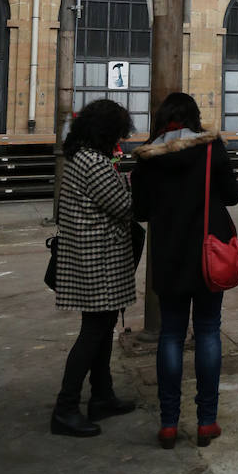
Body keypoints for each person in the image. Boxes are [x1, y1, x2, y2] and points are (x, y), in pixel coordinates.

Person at [130, 93, 238, 450]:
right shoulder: (211, 148)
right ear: (194, 118)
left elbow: (141, 211)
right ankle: (207, 421)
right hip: (208, 255)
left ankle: (168, 423)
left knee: (171, 335)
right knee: (208, 331)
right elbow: (232, 195)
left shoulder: (147, 158)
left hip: (168, 256)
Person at [51, 98, 137, 437]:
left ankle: (102, 396)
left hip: (91, 257)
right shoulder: (94, 163)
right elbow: (123, 206)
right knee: (93, 333)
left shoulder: (82, 158)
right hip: (97, 260)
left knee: (102, 329)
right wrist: (136, 184)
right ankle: (65, 408)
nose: (121, 139)